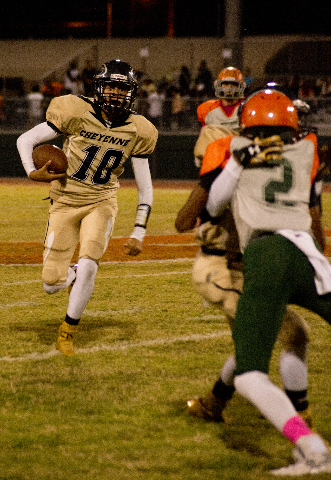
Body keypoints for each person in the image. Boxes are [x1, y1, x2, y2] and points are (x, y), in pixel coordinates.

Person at [175, 94, 327, 429]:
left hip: (261, 265)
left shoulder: (278, 160)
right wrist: (223, 173)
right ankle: (300, 421)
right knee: (278, 333)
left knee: (267, 336)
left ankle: (214, 403)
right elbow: (185, 220)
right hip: (222, 265)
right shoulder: (231, 153)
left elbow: (314, 224)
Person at [205, 89, 331, 475]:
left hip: (267, 256)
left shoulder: (237, 149)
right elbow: (312, 196)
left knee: (250, 374)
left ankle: (312, 449)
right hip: (309, 255)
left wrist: (238, 165)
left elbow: (213, 205)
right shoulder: (305, 150)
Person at [17, 59, 158, 357]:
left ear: (131, 93)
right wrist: (31, 171)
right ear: (99, 88)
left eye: (123, 89)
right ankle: (75, 273)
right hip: (65, 201)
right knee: (51, 285)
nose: (117, 95)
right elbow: (25, 139)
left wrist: (139, 231)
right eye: (112, 88)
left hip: (101, 201)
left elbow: (145, 188)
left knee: (92, 260)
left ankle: (68, 330)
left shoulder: (139, 129)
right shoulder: (76, 112)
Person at [194, 67, 246, 168]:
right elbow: (204, 135)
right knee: (207, 131)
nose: (229, 88)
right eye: (225, 84)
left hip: (239, 153)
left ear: (240, 86)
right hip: (217, 156)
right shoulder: (208, 109)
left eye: (234, 84)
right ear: (219, 85)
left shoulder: (248, 106)